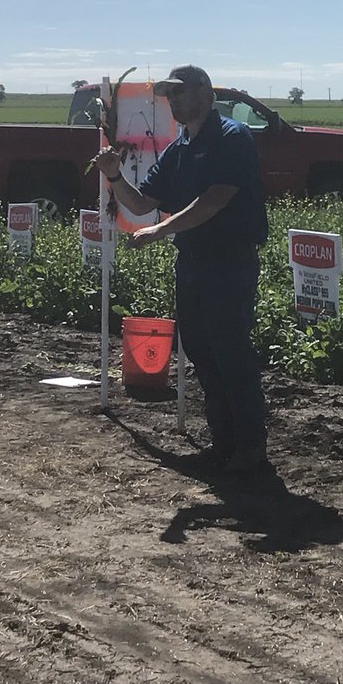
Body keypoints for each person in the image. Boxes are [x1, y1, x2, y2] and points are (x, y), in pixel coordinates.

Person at [94, 64, 270, 474]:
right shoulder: (179, 148)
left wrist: (162, 229)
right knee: (203, 354)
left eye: (180, 92)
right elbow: (141, 204)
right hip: (191, 262)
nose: (173, 100)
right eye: (169, 94)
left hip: (229, 262)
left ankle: (250, 448)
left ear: (206, 94)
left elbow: (216, 198)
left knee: (231, 353)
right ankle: (223, 445)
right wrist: (114, 175)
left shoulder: (231, 137)